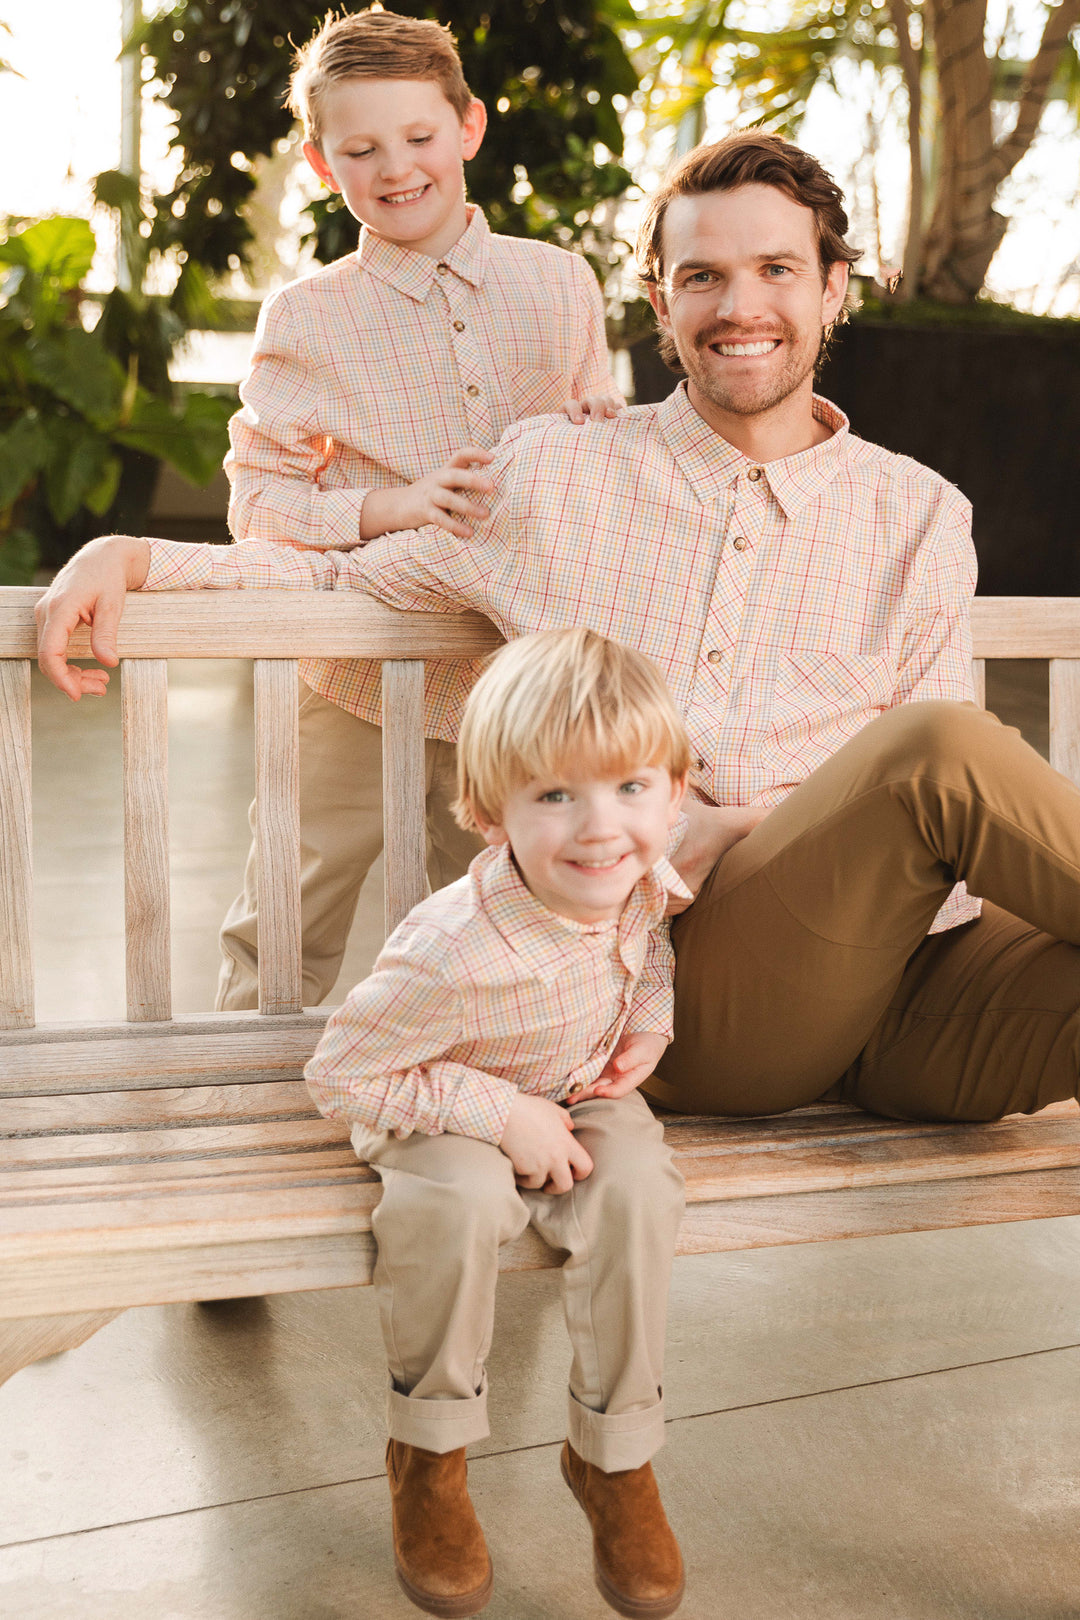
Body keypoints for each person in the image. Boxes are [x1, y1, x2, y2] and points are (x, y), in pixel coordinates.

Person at [37, 129, 1080, 1134]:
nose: (741, 306)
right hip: (686, 996)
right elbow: (332, 576)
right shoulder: (555, 477)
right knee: (942, 750)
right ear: (658, 300)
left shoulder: (921, 514)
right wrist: (136, 558)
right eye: (704, 277)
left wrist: (734, 826)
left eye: (776, 269)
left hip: (909, 994)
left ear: (834, 287)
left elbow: (916, 827)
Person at [44, 8, 621, 1014]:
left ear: (469, 128)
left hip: (510, 683)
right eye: (361, 148)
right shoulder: (306, 315)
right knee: (282, 916)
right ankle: (235, 1102)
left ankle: (471, 1088)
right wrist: (392, 505)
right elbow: (260, 504)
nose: (396, 167)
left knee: (497, 913)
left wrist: (599, 435)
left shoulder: (562, 283)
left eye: (419, 137)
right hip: (350, 675)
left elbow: (590, 458)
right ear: (320, 163)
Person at [305, 626, 688, 1618]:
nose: (603, 828)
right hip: (431, 1094)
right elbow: (343, 1072)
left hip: (571, 1088)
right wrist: (498, 1113)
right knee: (464, 1198)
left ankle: (615, 1456)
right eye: (557, 795)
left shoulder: (639, 878)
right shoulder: (453, 950)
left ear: (675, 792)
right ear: (488, 814)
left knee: (639, 1185)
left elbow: (649, 949)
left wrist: (650, 1015)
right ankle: (428, 1454)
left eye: (631, 788)